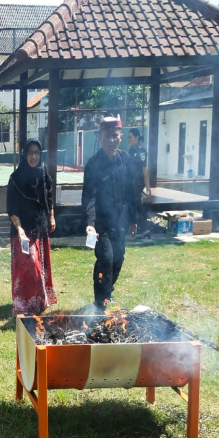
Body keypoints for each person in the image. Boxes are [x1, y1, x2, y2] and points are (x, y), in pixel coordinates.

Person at [81, 116, 139, 311]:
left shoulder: (126, 160)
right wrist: (90, 223)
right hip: (101, 223)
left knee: (118, 258)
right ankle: (101, 300)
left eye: (115, 136)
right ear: (100, 137)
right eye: (107, 136)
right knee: (105, 258)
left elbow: (132, 191)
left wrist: (133, 219)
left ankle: (107, 293)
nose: (111, 140)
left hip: (121, 221)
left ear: (120, 137)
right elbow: (89, 196)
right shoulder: (93, 164)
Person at [7, 139, 57, 315]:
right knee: (30, 268)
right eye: (30, 153)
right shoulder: (15, 178)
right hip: (22, 230)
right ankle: (23, 304)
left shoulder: (44, 174)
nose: (34, 156)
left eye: (37, 152)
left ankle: (37, 303)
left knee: (39, 268)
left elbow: (49, 198)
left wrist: (51, 216)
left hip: (40, 227)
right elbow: (11, 208)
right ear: (24, 154)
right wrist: (20, 230)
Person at [127, 127, 151, 238]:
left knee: (137, 203)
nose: (129, 139)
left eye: (130, 137)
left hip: (138, 182)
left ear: (137, 137)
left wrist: (148, 186)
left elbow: (144, 169)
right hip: (131, 182)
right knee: (131, 203)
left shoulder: (141, 150)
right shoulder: (131, 150)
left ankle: (145, 229)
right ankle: (133, 227)